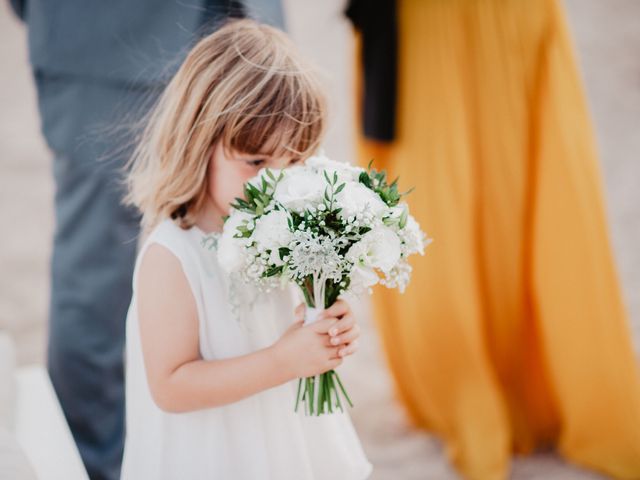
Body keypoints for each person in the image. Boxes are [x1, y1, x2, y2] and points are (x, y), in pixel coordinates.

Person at [351, 0, 640, 479]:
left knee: (449, 189)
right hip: (470, 20)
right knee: (500, 184)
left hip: (451, 22)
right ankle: (510, 381)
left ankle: (487, 388)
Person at [7, 1, 284, 479]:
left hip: (247, 31)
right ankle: (92, 465)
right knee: (96, 275)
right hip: (105, 37)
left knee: (254, 250)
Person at [120, 19, 372, 479]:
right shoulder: (172, 257)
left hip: (281, 440)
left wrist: (326, 327)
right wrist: (281, 360)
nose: (274, 181)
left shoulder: (284, 227)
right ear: (200, 142)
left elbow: (289, 319)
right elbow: (171, 386)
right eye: (255, 162)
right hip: (212, 454)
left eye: (294, 161)